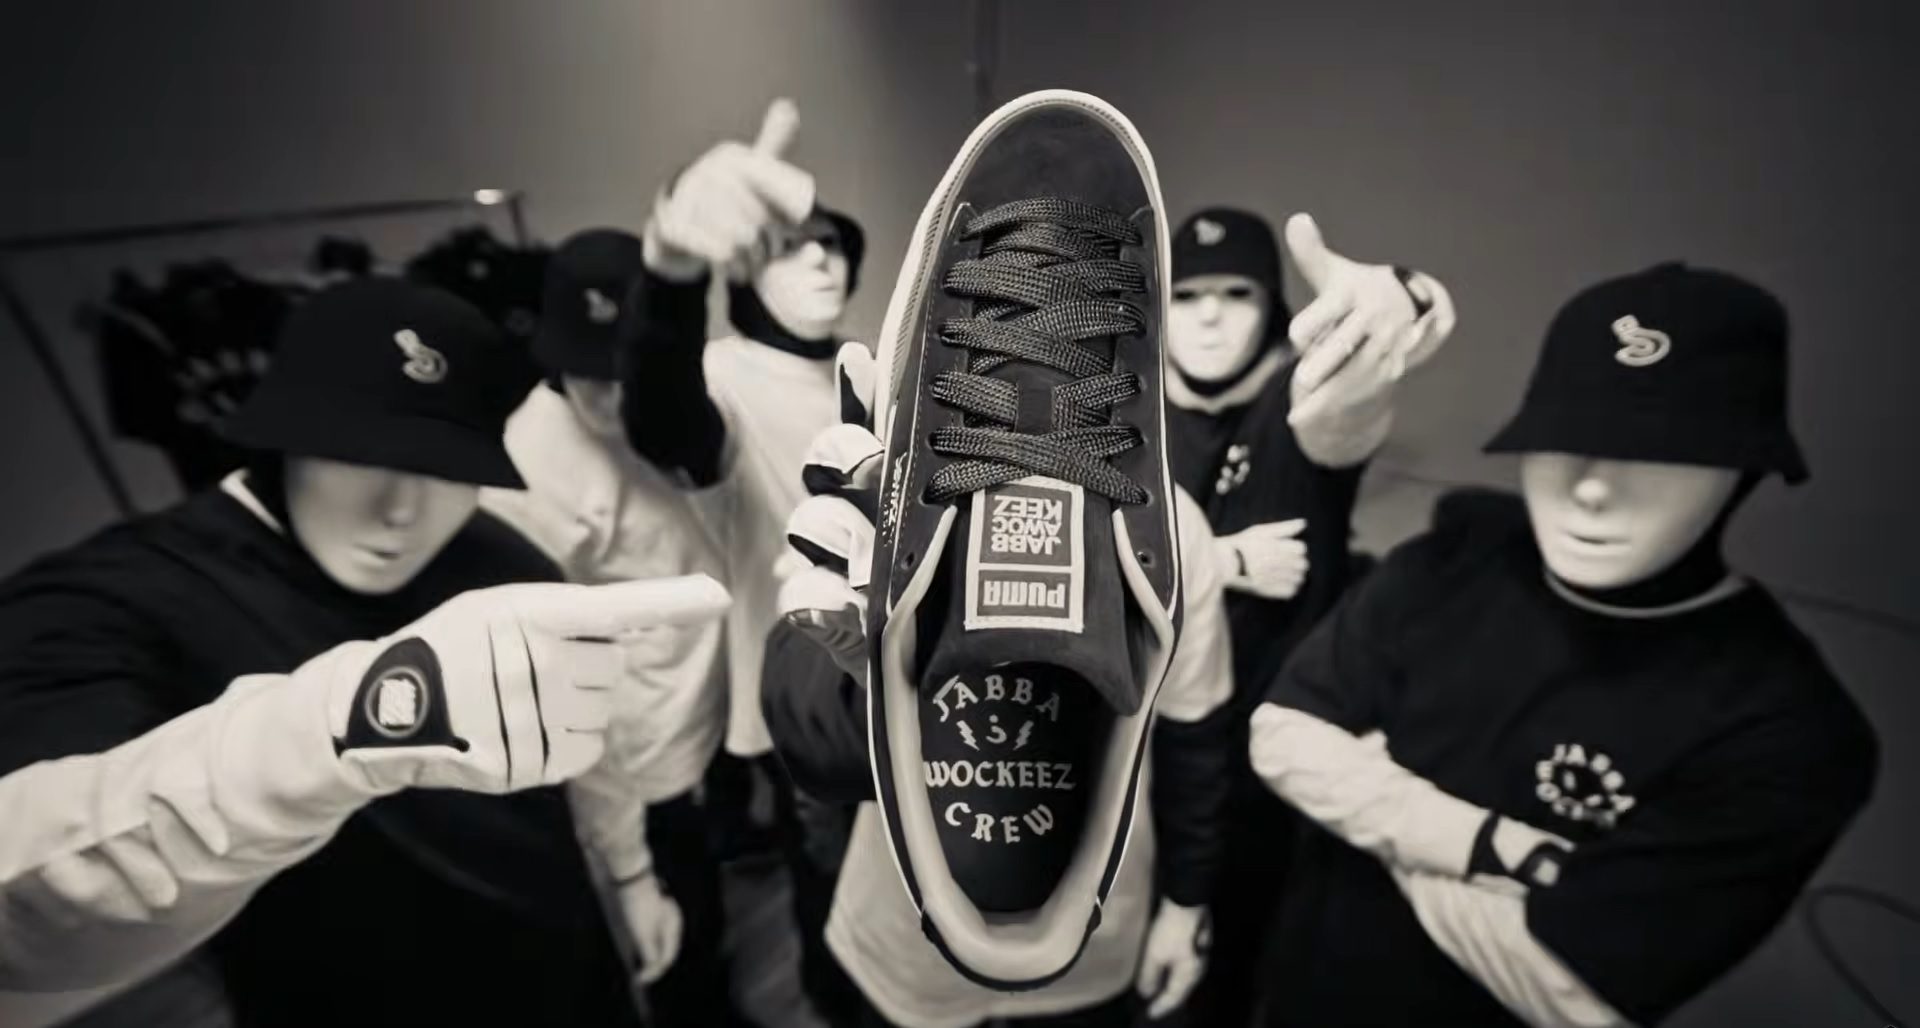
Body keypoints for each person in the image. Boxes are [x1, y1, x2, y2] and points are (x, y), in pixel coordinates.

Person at [0, 277, 729, 1027]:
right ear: (289, 434)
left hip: (568, 963)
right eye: (359, 454)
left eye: (447, 466)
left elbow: (587, 749)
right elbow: (27, 895)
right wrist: (350, 728)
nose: (402, 509)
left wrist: (631, 875)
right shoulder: (119, 597)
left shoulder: (506, 557)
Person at [1248, 262, 1879, 1026]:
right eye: (1567, 439)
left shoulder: (1790, 729)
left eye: (1659, 453)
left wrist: (1374, 810)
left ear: (1742, 469)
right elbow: (1282, 738)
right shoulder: (1452, 558)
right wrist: (1500, 850)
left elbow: (1576, 992)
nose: (1593, 486)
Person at [769, 342, 1233, 1028]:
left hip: (1092, 935)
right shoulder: (887, 504)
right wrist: (858, 678)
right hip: (909, 935)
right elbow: (814, 749)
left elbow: (1196, 738)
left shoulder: (1171, 526)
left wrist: (1186, 902)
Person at [1162, 207, 1456, 1026]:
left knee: (1230, 962)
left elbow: (1347, 401)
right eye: (1187, 295)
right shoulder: (1129, 409)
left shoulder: (1299, 395)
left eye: (1236, 293)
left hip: (1263, 748)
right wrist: (1220, 563)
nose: (1211, 315)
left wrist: (1404, 304)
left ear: (1272, 306)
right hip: (1153, 740)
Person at [479, 229, 740, 1025]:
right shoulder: (525, 473)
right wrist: (625, 861)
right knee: (681, 932)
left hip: (706, 716)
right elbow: (553, 679)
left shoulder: (671, 411)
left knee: (711, 889)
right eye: (591, 374)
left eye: (625, 372)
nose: (611, 397)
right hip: (636, 754)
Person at [617, 98, 866, 855]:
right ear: (745, 265)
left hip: (898, 669)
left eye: (830, 243)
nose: (820, 259)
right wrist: (672, 266)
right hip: (804, 689)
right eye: (790, 245)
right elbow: (663, 412)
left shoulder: (870, 367)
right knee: (829, 884)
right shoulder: (723, 374)